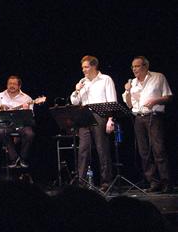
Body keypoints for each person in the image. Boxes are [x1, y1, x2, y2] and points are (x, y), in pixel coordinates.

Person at [122, 56, 173, 193]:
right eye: (132, 67)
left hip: (154, 117)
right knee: (144, 151)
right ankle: (153, 182)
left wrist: (155, 101)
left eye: (137, 66)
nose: (134, 69)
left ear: (145, 66)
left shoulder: (158, 77)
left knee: (158, 149)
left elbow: (168, 97)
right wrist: (127, 90)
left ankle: (166, 182)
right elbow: (129, 104)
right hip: (138, 118)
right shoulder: (132, 82)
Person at [70, 55, 116, 191]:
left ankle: (106, 182)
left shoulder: (105, 79)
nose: (83, 70)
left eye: (86, 67)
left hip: (100, 115)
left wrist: (110, 119)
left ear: (94, 66)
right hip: (84, 116)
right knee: (83, 149)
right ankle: (82, 182)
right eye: (82, 67)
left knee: (102, 148)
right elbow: (74, 102)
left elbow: (112, 101)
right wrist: (77, 89)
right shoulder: (83, 82)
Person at [0, 75, 35, 167]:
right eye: (10, 83)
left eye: (14, 84)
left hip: (21, 125)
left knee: (30, 134)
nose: (11, 85)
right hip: (6, 125)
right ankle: (14, 158)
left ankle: (23, 158)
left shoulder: (27, 98)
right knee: (1, 132)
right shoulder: (1, 96)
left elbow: (31, 116)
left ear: (19, 86)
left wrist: (26, 110)